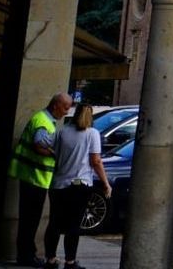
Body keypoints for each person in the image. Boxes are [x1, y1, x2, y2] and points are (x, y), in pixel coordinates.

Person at [46, 102, 110, 269]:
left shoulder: (62, 132)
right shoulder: (92, 134)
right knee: (73, 225)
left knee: (54, 222)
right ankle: (70, 261)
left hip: (58, 183)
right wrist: (105, 183)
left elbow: (54, 153)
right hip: (79, 184)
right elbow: (95, 161)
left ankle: (50, 259)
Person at [12, 92, 73, 267]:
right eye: (65, 107)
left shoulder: (43, 119)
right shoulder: (43, 122)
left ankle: (26, 254)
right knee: (30, 220)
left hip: (31, 176)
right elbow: (38, 145)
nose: (67, 112)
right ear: (56, 105)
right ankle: (26, 256)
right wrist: (56, 154)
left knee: (28, 219)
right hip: (34, 177)